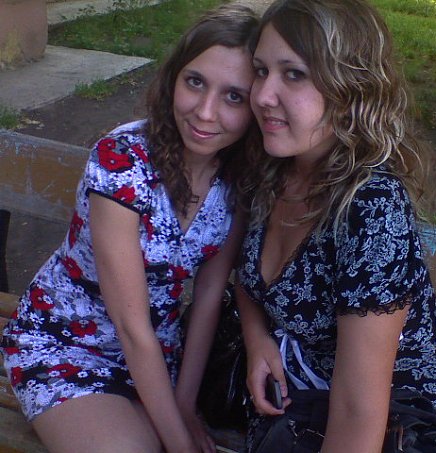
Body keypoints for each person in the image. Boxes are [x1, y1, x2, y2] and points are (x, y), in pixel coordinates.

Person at [0, 4, 258, 453]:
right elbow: (130, 323)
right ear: (174, 78)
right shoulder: (122, 161)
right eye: (195, 82)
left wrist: (184, 406)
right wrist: (180, 441)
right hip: (65, 344)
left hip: (157, 357)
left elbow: (209, 296)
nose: (205, 111)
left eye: (234, 96)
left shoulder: (237, 180)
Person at [234, 0, 436, 452]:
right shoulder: (273, 168)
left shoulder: (371, 208)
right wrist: (257, 339)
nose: (263, 95)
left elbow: (359, 411)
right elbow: (249, 279)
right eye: (261, 70)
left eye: (294, 74)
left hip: (401, 428)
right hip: (302, 409)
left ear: (351, 86)